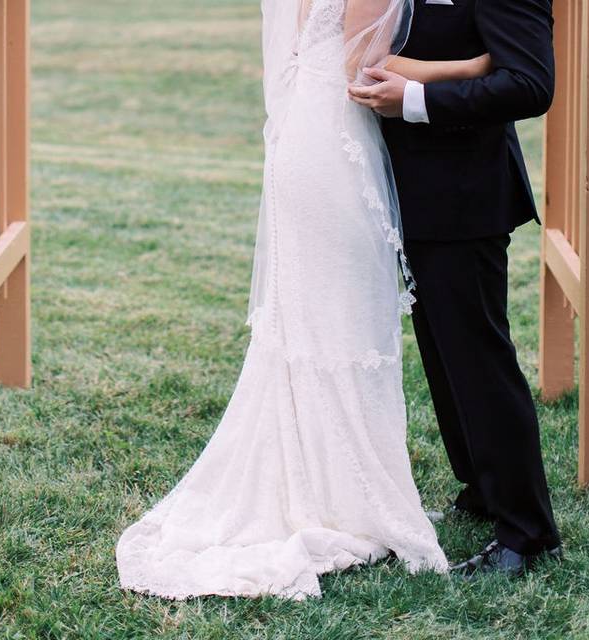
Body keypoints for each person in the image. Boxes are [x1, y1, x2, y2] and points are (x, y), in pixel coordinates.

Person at [115, 0, 495, 600]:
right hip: (333, 147)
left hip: (311, 137)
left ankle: (330, 483)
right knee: (342, 323)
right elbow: (362, 71)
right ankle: (343, 495)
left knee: (320, 322)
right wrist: (471, 67)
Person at [348, 0, 562, 576]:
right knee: (444, 358)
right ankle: (482, 488)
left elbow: (529, 83)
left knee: (478, 361)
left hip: (464, 195)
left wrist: (415, 99)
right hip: (406, 194)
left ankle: (528, 532)